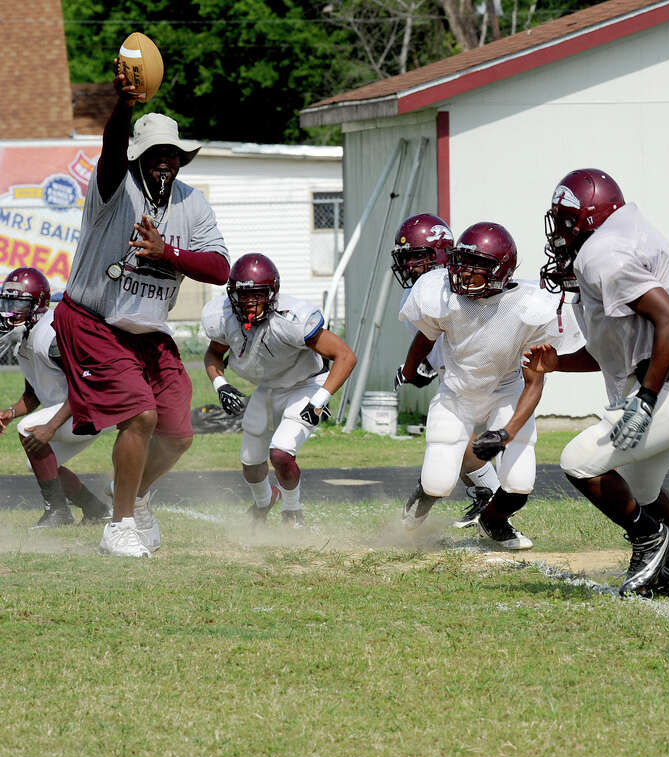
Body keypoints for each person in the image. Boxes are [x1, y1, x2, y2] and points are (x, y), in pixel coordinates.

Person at [534, 168, 669, 597]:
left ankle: (650, 540)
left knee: (578, 460)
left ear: (587, 218)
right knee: (640, 488)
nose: (558, 232)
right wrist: (557, 363)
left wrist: (648, 399)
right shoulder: (618, 242)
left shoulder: (602, 255)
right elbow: (619, 353)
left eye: (564, 219)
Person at [52, 60, 230, 557]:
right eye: (153, 154)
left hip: (147, 331)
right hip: (92, 320)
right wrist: (124, 106)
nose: (163, 162)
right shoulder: (115, 185)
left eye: (171, 155)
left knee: (178, 432)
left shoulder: (191, 203)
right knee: (141, 416)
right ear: (138, 157)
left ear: (181, 159)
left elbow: (219, 269)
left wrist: (167, 252)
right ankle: (119, 525)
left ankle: (136, 494)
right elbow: (111, 149)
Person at [397, 222, 561, 551]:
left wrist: (506, 433)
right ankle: (412, 515)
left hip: (506, 389)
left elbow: (534, 382)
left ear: (503, 271)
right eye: (460, 265)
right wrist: (411, 370)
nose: (462, 275)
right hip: (457, 391)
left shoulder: (530, 306)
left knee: (519, 481)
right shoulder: (439, 292)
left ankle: (494, 521)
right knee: (438, 480)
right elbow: (425, 336)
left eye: (477, 270)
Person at [202, 254, 356, 528]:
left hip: (305, 384)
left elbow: (345, 356)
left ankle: (292, 511)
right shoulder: (223, 316)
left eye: (257, 294)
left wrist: (321, 399)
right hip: (270, 386)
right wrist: (220, 384)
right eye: (243, 295)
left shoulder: (292, 318)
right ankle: (264, 501)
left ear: (272, 293)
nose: (249, 302)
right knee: (250, 463)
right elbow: (213, 353)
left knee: (281, 452)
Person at [390, 212, 505, 529]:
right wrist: (422, 368)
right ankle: (486, 495)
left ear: (439, 255)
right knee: (452, 440)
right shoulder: (420, 289)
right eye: (406, 258)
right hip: (458, 369)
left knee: (455, 439)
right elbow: (434, 339)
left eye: (416, 257)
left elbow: (446, 333)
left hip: (487, 370)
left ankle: (491, 496)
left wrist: (419, 366)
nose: (409, 265)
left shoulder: (451, 286)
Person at [0, 268, 108, 527]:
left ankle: (58, 512)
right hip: (70, 412)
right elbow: (33, 394)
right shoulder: (25, 335)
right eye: (6, 301)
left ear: (38, 305)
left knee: (29, 431)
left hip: (89, 410)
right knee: (36, 462)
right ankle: (96, 509)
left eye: (18, 303)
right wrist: (11, 412)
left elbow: (84, 387)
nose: (8, 310)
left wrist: (49, 426)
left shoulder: (52, 335)